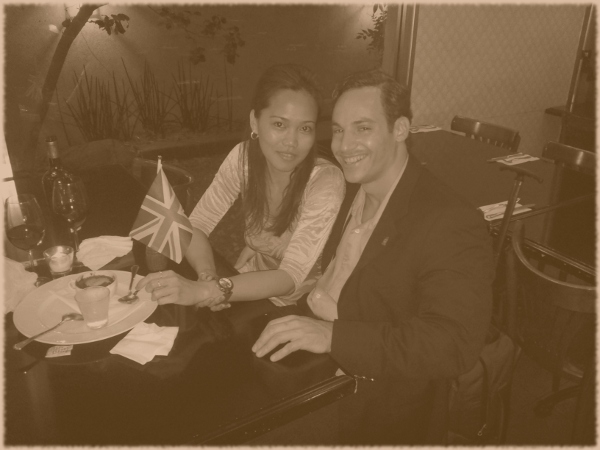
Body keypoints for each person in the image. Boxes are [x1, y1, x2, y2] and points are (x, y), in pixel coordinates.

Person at [251, 69, 494, 444]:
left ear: (400, 129)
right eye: (338, 130)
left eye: (362, 128)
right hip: (312, 353)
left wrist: (333, 336)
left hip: (372, 396)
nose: (344, 145)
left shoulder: (449, 221)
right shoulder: (347, 188)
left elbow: (454, 343)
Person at [137, 64, 345, 309]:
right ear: (255, 122)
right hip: (249, 284)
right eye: (279, 124)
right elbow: (197, 225)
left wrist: (209, 290)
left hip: (304, 304)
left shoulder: (324, 181)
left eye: (305, 128)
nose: (291, 141)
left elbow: (291, 276)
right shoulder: (244, 159)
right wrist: (207, 276)